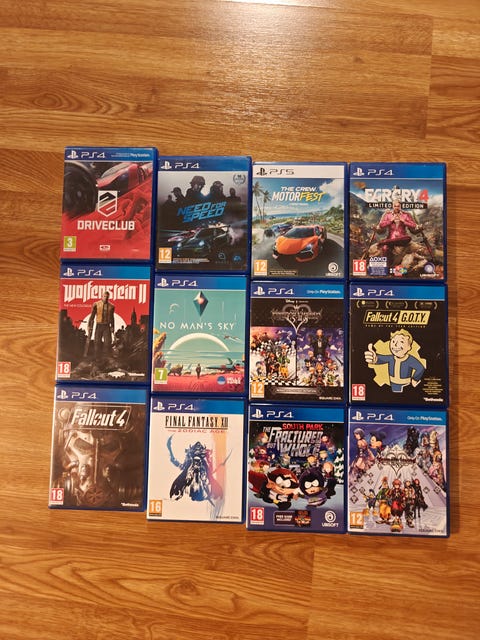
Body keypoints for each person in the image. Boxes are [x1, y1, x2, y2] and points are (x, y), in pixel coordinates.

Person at [375, 200, 423, 266]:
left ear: (400, 206)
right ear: (392, 206)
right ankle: (387, 267)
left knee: (408, 238)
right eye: (395, 206)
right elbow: (381, 225)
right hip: (391, 238)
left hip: (402, 239)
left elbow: (414, 225)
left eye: (398, 206)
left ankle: (384, 242)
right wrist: (390, 221)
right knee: (385, 248)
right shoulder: (388, 215)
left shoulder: (406, 215)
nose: (396, 208)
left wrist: (404, 221)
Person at [88, 291, 115, 362]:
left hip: (107, 326)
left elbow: (112, 317)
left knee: (107, 342)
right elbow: (92, 316)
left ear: (108, 297)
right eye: (104, 296)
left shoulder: (111, 306)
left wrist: (112, 326)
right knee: (97, 342)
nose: (105, 298)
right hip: (99, 325)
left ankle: (105, 358)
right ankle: (97, 358)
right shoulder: (96, 304)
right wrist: (89, 326)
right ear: (101, 297)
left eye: (107, 297)